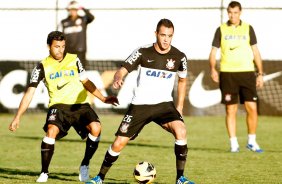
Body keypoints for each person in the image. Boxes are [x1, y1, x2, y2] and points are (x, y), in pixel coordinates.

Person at [86, 19, 194, 184]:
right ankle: (99, 177)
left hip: (164, 105)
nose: (166, 39)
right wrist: (118, 78)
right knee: (119, 142)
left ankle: (180, 178)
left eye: (170, 36)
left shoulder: (179, 57)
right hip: (140, 106)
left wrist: (179, 107)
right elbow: (122, 70)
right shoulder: (143, 52)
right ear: (156, 34)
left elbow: (182, 81)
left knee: (181, 131)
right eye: (163, 35)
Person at [8, 31, 119, 183]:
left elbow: (86, 82)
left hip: (80, 104)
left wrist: (103, 98)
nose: (60, 50)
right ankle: (44, 172)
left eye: (63, 46)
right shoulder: (42, 66)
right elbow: (29, 93)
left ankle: (85, 163)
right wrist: (17, 117)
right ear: (48, 46)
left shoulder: (74, 59)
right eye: (56, 47)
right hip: (58, 106)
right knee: (51, 130)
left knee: (96, 128)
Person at [209, 1, 264, 153]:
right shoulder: (221, 29)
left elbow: (256, 52)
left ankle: (251, 141)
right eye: (230, 12)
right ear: (228, 13)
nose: (233, 15)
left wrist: (260, 73)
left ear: (240, 13)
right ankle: (234, 144)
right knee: (230, 110)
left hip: (247, 73)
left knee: (252, 108)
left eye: (235, 12)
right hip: (227, 74)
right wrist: (212, 69)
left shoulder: (248, 28)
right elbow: (213, 52)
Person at [60, 0, 94, 69]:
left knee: (80, 70)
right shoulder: (64, 22)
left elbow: (91, 17)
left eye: (75, 9)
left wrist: (82, 8)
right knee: (68, 70)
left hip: (80, 50)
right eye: (71, 9)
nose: (73, 11)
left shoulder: (83, 19)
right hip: (68, 50)